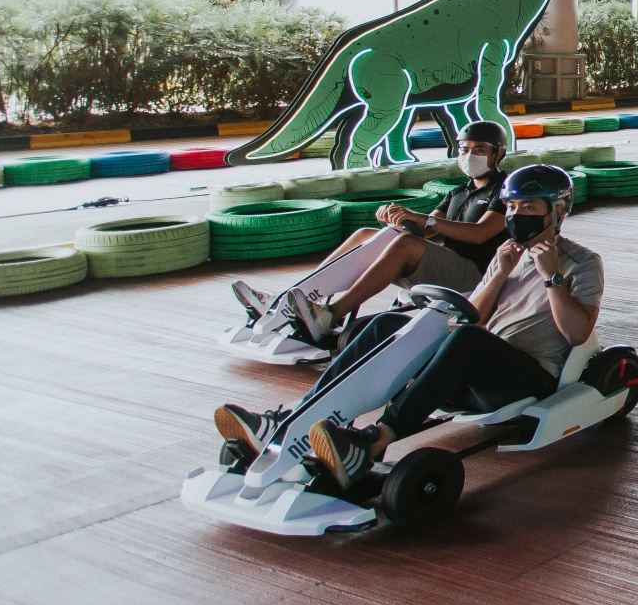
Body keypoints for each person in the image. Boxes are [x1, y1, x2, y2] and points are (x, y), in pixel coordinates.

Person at [212, 164, 605, 491]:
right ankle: (292, 419)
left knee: (467, 338)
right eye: (513, 206)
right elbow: (476, 316)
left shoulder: (582, 263)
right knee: (389, 323)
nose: (518, 215)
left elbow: (576, 334)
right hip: (474, 365)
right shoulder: (506, 255)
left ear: (556, 210)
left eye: (530, 206)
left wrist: (551, 276)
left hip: (527, 376)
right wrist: (500, 272)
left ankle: (373, 441)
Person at [266, 121, 513, 349]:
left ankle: (331, 314)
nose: (470, 156)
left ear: (499, 153)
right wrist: (398, 216)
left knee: (405, 244)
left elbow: (480, 233)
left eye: (480, 150)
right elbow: (427, 228)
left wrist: (422, 219)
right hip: (448, 265)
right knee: (366, 234)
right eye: (465, 149)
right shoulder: (460, 191)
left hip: (478, 276)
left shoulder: (506, 190)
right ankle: (291, 299)